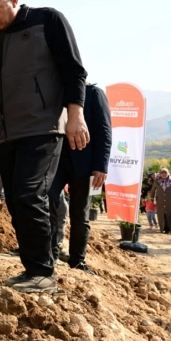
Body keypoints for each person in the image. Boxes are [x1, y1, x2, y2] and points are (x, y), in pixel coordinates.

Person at [0, 0, 89, 293]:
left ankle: (43, 272)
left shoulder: (46, 20)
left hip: (43, 126)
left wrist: (75, 115)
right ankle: (31, 270)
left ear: (14, 0)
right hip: (6, 133)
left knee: (29, 193)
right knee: (13, 199)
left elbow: (73, 70)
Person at [48, 82, 112, 274]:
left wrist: (101, 166)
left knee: (80, 215)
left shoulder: (94, 94)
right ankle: (50, 255)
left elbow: (104, 131)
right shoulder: (56, 92)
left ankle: (78, 261)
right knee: (47, 202)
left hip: (85, 166)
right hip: (56, 162)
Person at [150, 168, 171, 234]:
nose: (164, 174)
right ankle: (163, 228)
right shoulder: (157, 181)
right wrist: (151, 199)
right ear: (160, 173)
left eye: (165, 173)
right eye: (162, 173)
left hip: (169, 201)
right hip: (160, 201)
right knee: (161, 215)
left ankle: (169, 229)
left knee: (169, 214)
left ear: (168, 173)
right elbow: (153, 190)